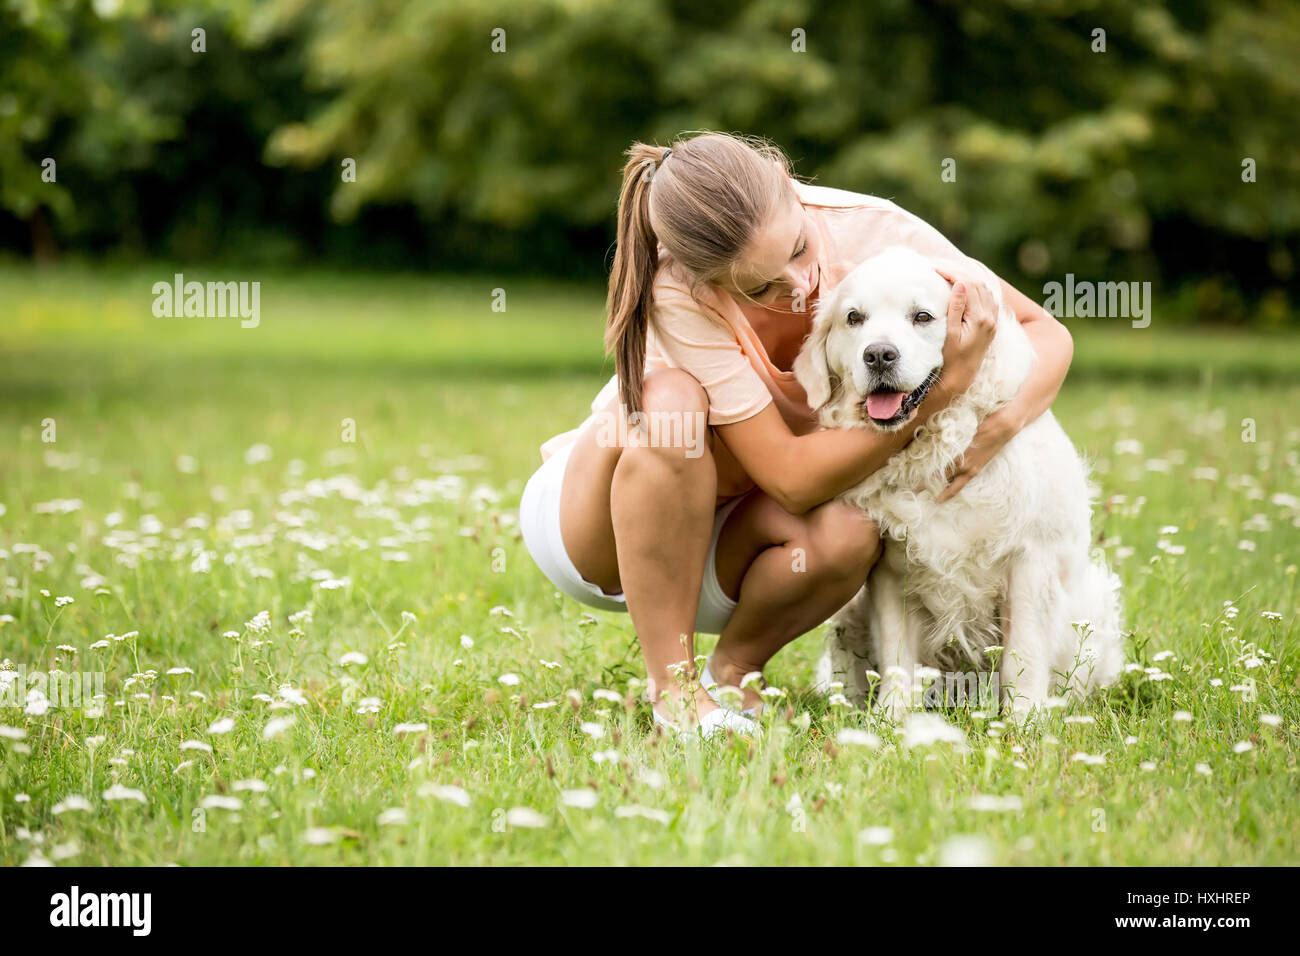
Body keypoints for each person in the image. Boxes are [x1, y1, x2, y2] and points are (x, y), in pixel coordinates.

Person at [518, 132, 1072, 739]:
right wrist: (941, 390)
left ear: (790, 185)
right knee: (669, 402)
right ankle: (673, 696)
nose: (803, 282)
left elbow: (1044, 331)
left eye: (801, 248)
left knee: (855, 527)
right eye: (760, 286)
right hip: (609, 540)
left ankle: (734, 677)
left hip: (729, 548)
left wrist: (1001, 424)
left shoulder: (875, 231)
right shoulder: (678, 289)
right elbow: (791, 479)